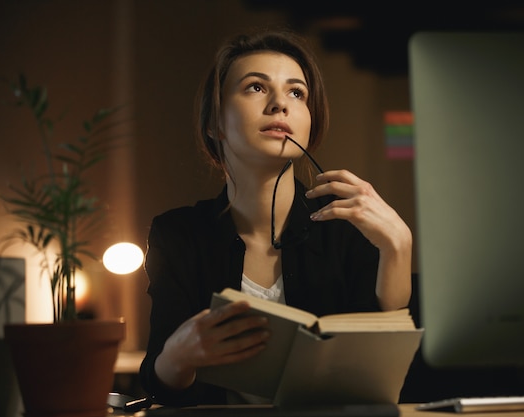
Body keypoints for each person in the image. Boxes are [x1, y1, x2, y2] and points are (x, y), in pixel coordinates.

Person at [139, 28, 413, 406]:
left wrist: (398, 247)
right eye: (256, 87)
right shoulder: (178, 234)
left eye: (296, 92)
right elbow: (158, 382)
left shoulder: (348, 227)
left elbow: (391, 374)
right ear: (214, 121)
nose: (280, 104)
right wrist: (178, 356)